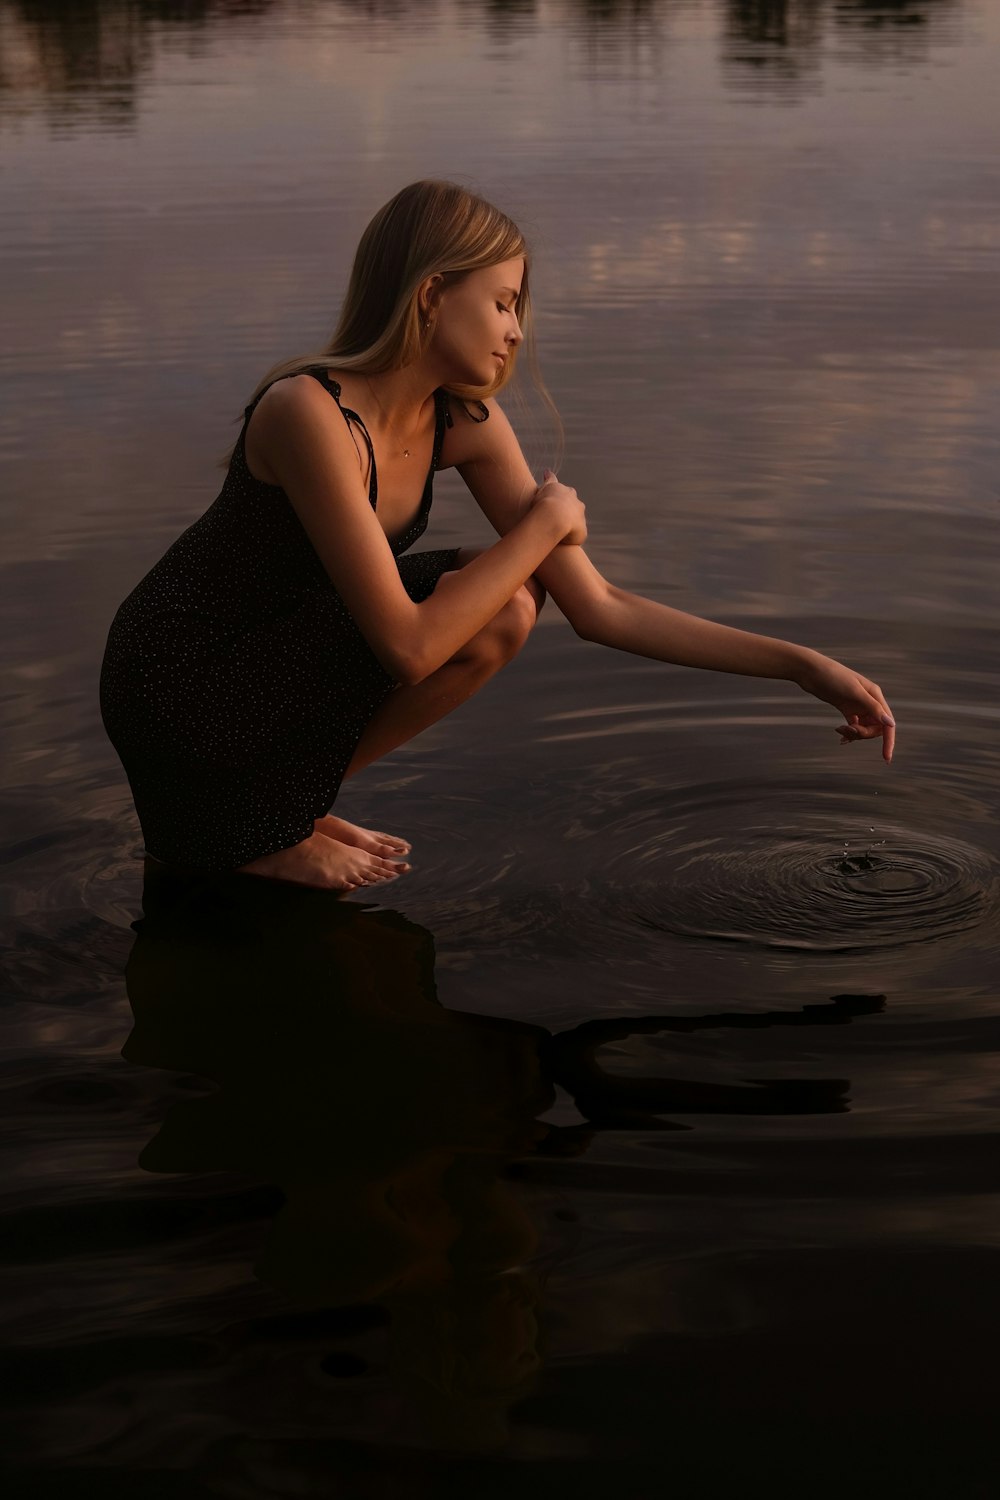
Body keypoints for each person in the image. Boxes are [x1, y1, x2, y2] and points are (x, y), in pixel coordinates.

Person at [100, 179, 895, 894]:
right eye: (505, 301)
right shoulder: (306, 412)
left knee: (512, 603)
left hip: (276, 660)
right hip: (179, 677)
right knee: (501, 591)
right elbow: (407, 650)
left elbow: (602, 607)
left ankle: (278, 809)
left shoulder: (465, 421)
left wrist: (804, 666)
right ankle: (258, 828)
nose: (517, 331)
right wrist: (546, 522)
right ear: (433, 293)